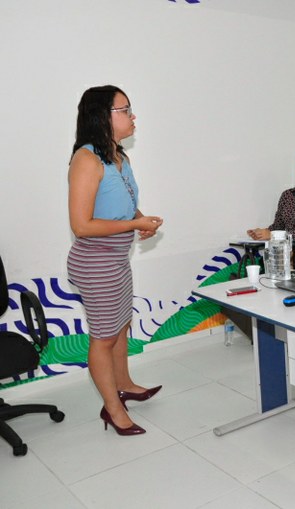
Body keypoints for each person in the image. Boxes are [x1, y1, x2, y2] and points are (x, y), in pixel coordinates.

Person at [66, 85, 163, 436]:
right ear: (102, 117)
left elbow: (122, 202)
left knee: (120, 326)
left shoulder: (120, 156)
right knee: (103, 338)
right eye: (125, 109)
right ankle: (112, 408)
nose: (132, 115)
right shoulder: (86, 159)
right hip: (95, 261)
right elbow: (81, 225)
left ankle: (125, 385)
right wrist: (133, 224)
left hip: (117, 257)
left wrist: (140, 220)